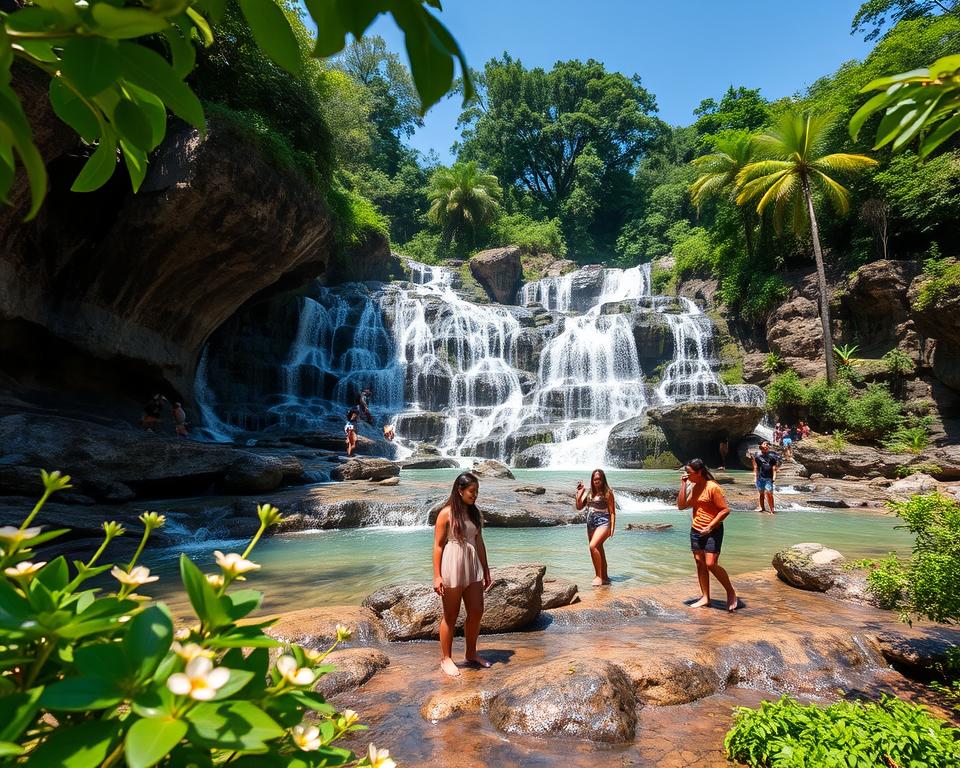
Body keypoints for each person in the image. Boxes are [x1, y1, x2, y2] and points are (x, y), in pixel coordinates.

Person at [433, 472, 492, 677]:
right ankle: (446, 658)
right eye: (471, 491)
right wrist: (437, 576)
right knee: (450, 614)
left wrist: (486, 569)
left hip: (472, 565)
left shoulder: (475, 513)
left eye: (477, 492)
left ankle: (471, 653)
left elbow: (480, 543)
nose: (475, 495)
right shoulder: (445, 513)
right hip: (452, 564)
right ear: (460, 491)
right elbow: (438, 546)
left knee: (476, 611)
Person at [677, 458, 738, 612]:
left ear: (699, 472)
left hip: (713, 529)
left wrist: (710, 527)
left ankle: (730, 592)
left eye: (689, 473)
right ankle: (705, 597)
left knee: (710, 564)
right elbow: (681, 505)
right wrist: (683, 484)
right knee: (699, 562)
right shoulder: (695, 486)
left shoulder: (713, 487)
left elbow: (725, 510)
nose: (686, 475)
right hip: (696, 529)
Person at [575, 468, 616, 586]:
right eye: (594, 479)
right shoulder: (589, 493)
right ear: (592, 480)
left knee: (593, 546)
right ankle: (605, 577)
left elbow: (612, 512)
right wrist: (579, 494)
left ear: (603, 480)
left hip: (604, 522)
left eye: (599, 479)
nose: (596, 481)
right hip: (591, 523)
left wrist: (612, 528)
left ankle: (599, 577)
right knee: (599, 548)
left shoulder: (608, 492)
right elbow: (579, 507)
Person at [752, 440, 780, 514]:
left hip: (768, 478)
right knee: (761, 493)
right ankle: (762, 508)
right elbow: (756, 468)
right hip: (760, 478)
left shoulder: (772, 457)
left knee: (769, 493)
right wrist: (755, 477)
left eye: (767, 445)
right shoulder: (757, 456)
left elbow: (774, 468)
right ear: (761, 447)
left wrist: (774, 477)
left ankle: (772, 510)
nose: (767, 446)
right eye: (765, 444)